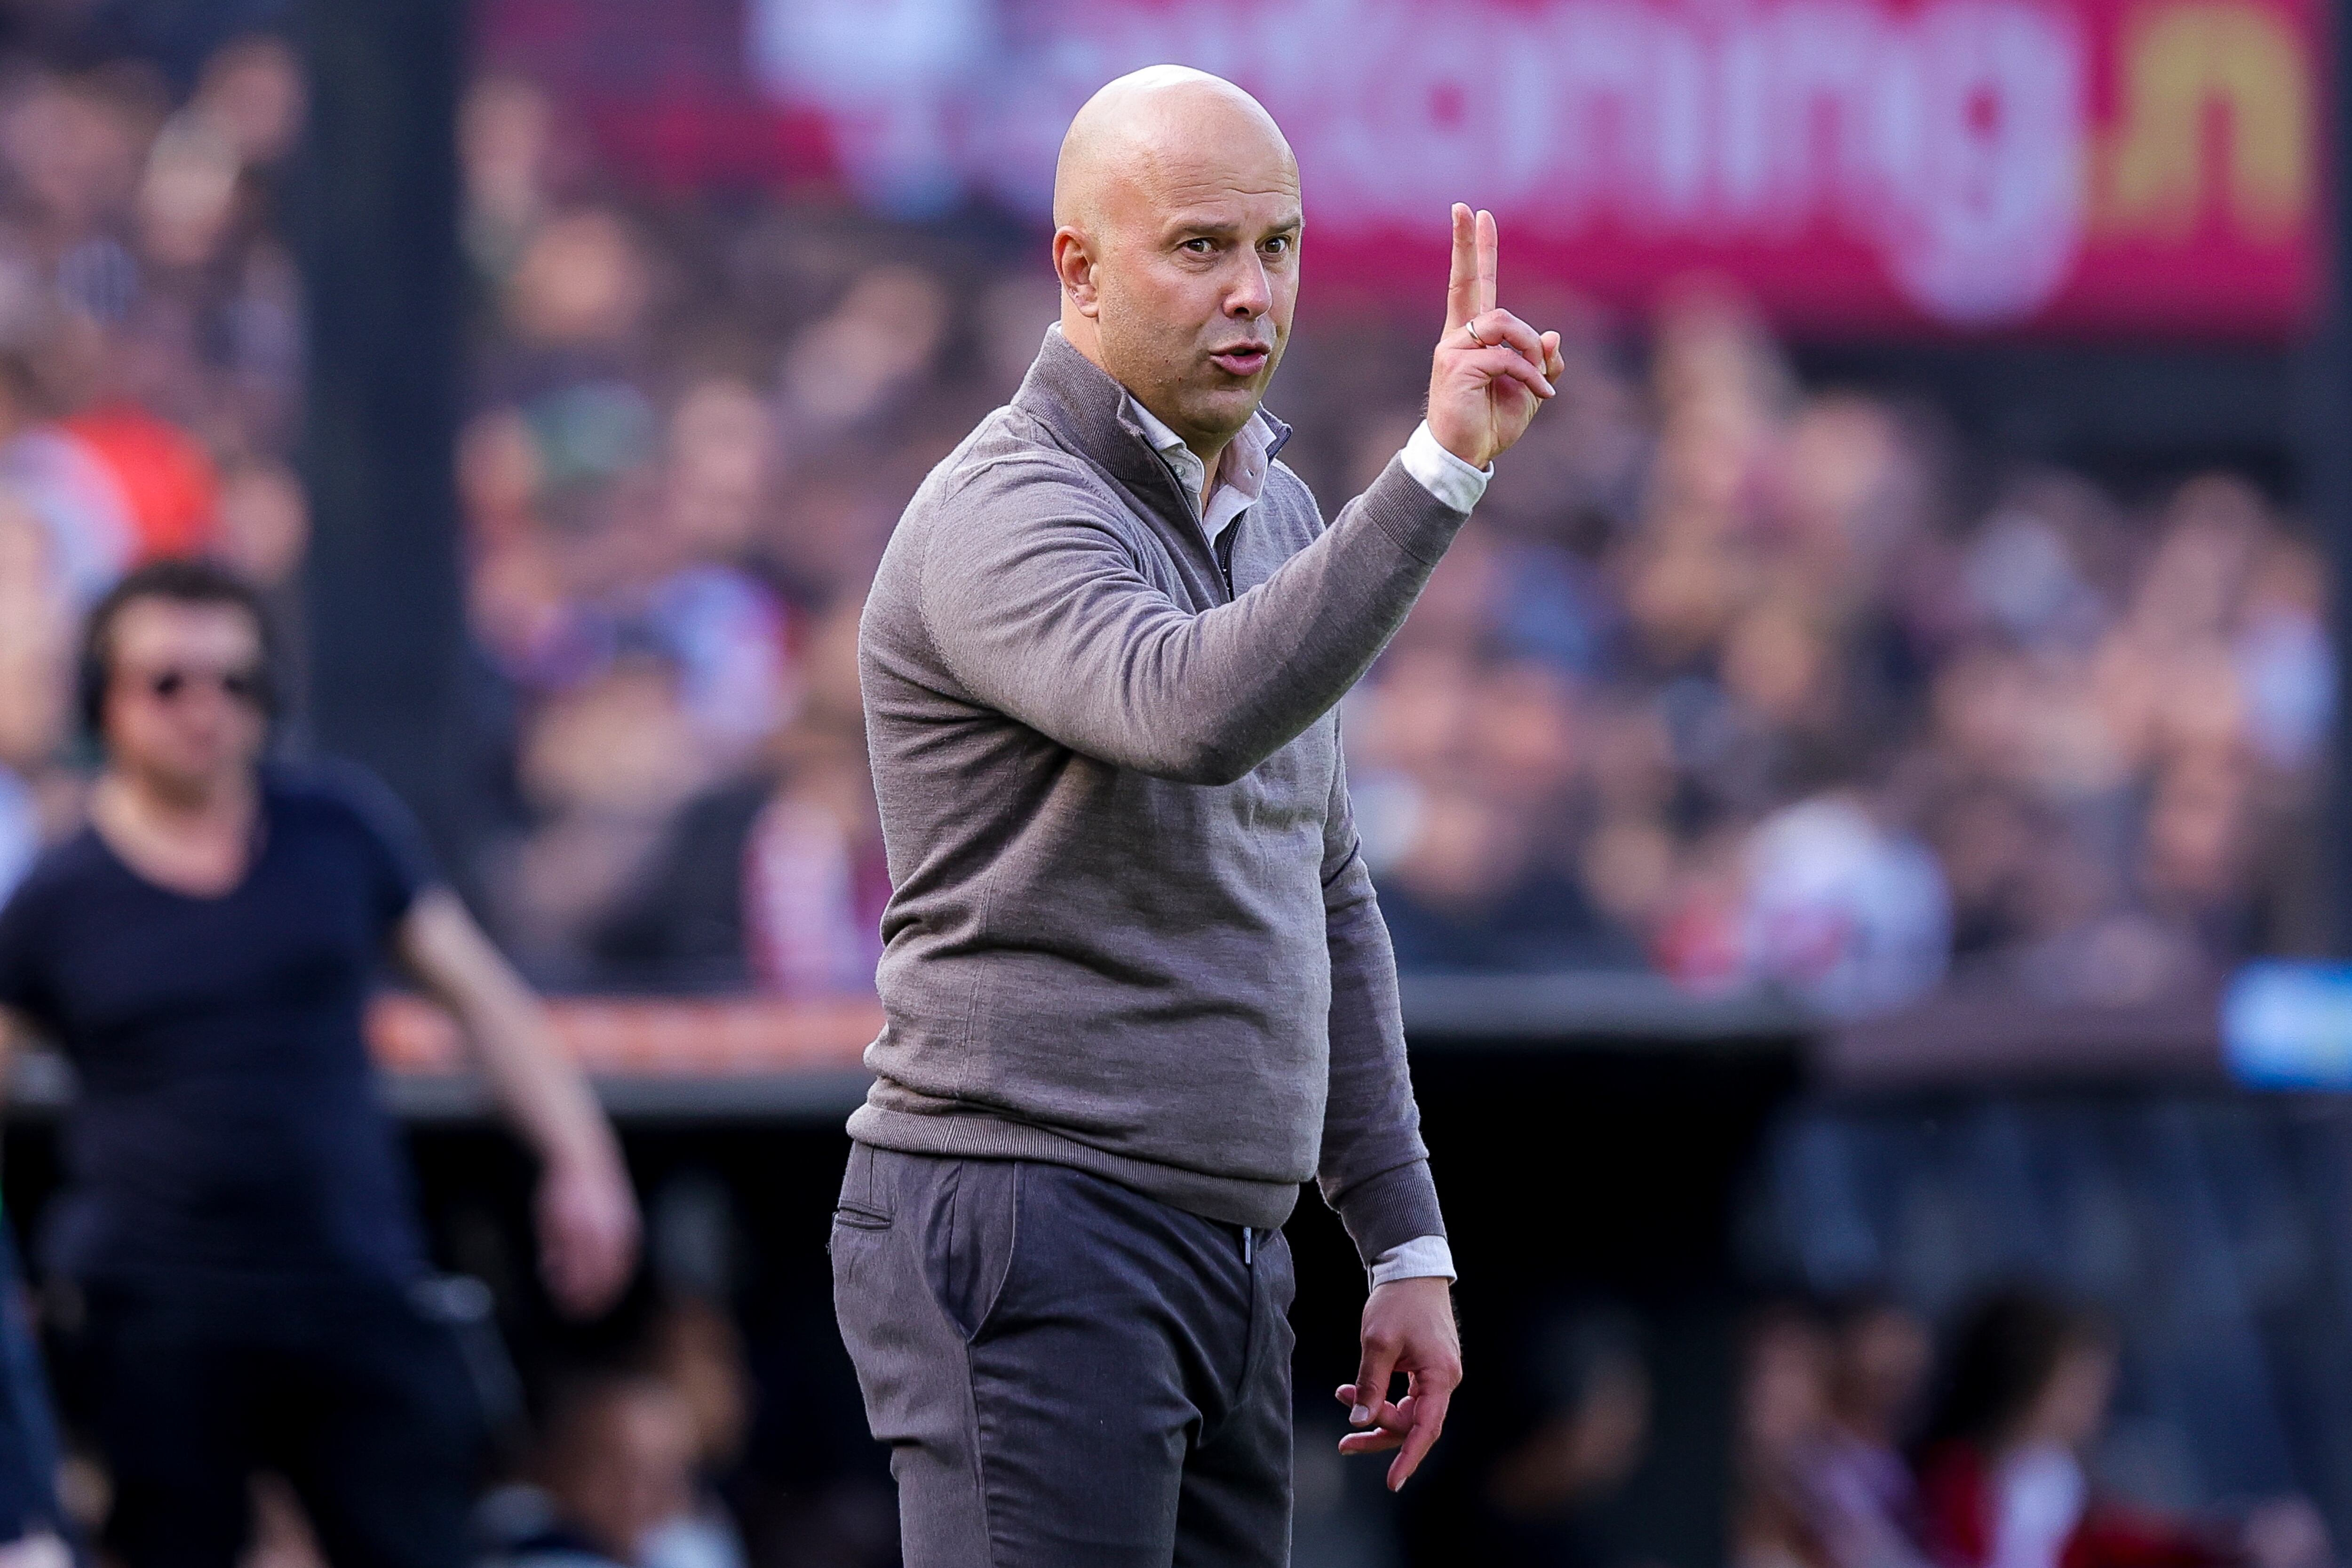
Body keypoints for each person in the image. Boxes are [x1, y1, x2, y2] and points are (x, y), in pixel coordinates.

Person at [835, 63, 1566, 1566]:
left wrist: (1403, 1239)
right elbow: (1190, 708)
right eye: (1200, 247)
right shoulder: (1001, 507)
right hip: (1030, 1209)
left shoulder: (1277, 509)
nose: (1253, 293)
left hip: (1231, 1246)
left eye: (1279, 247)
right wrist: (1437, 473)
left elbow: (1326, 885)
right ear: (1078, 270)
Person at [0, 558, 641, 1568]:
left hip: (352, 1283)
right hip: (155, 1312)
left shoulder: (338, 831)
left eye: (235, 681)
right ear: (105, 700)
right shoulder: (59, 895)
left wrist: (581, 1159)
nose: (205, 708)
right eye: (168, 682)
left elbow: (484, 999)